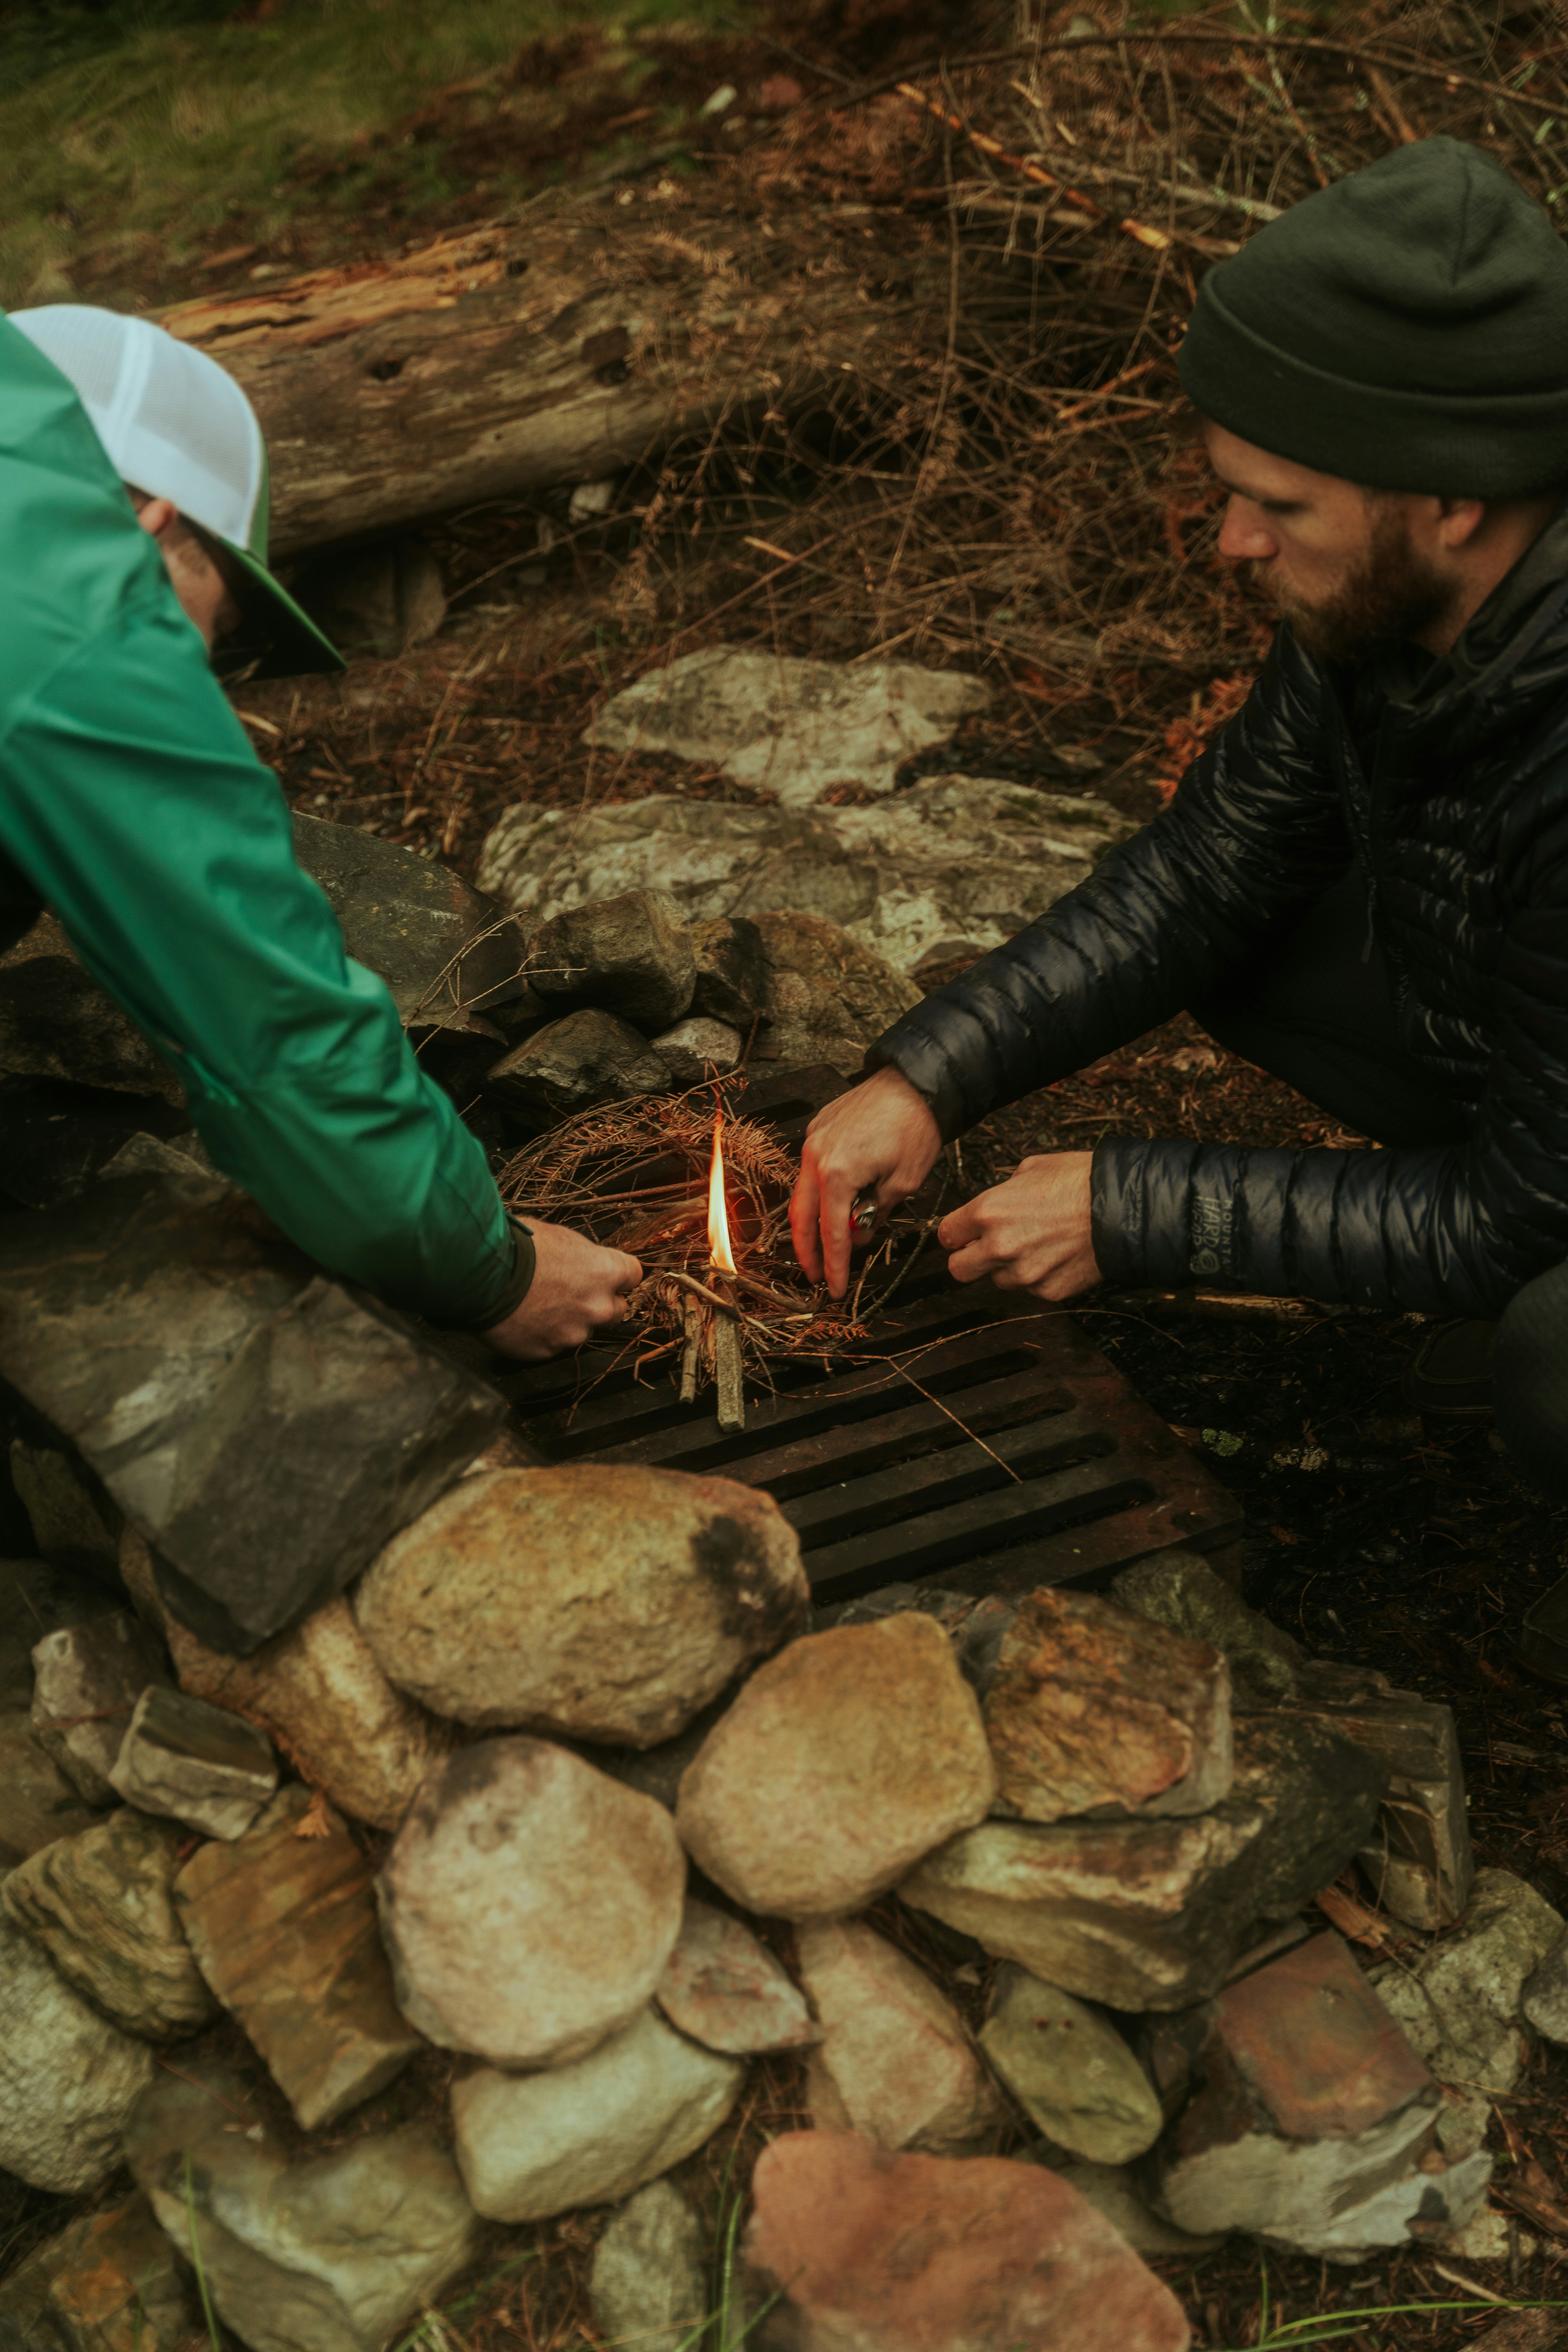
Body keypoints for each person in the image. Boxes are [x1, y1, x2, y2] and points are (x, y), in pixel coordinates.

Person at [789, 137, 1568, 1506]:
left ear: (1453, 496)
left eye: (1276, 505)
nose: (1230, 542)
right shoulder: (1388, 609)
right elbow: (1209, 870)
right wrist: (928, 1073)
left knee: (1552, 1341)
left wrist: (1125, 1207)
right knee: (1250, 936)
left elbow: (1531, 1208)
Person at [0, 303, 639, 1355]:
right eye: (220, 627)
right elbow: (265, 1020)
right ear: (157, 519)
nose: (203, 665)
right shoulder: (69, 585)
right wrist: (494, 1265)